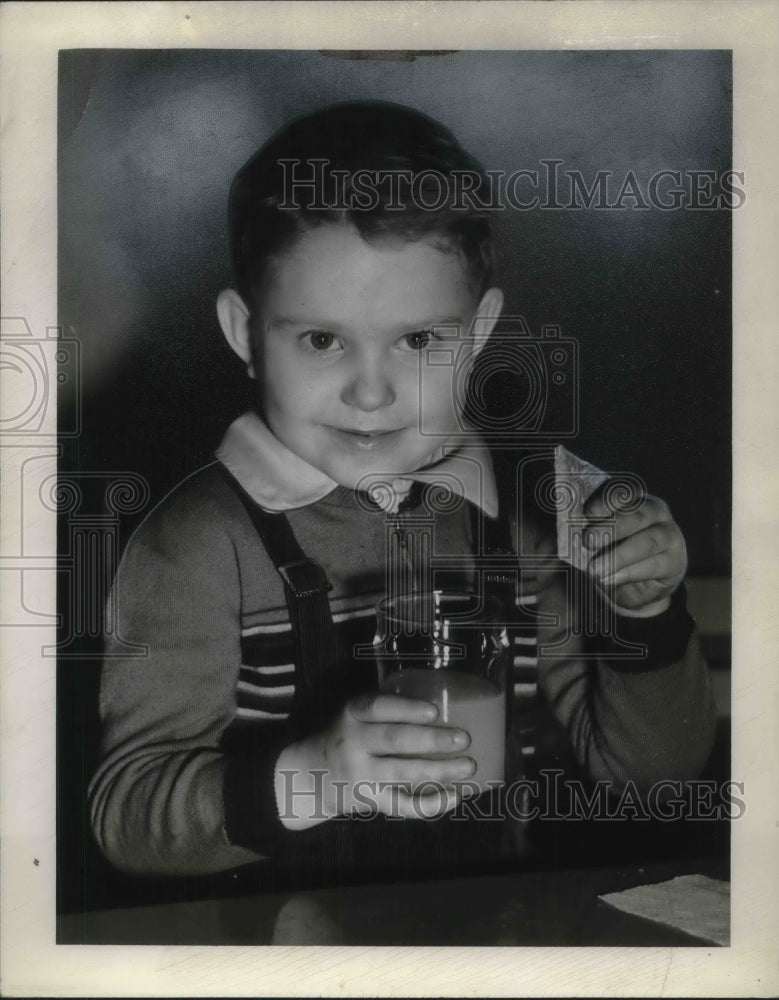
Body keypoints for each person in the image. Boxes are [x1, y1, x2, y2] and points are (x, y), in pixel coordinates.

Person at [89, 102, 716, 884]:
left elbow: (650, 782)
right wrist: (318, 775)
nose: (371, 394)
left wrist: (645, 614)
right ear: (242, 332)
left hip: (490, 935)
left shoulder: (522, 522)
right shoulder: (192, 546)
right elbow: (127, 817)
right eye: (322, 340)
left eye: (418, 340)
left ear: (479, 332)